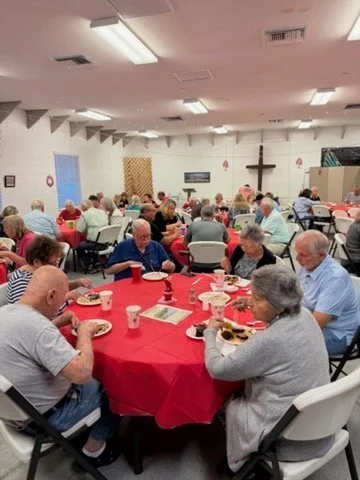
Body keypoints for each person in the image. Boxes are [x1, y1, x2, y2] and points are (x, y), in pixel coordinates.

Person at [204, 265, 333, 473]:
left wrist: (209, 333)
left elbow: (217, 369)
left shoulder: (272, 339)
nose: (251, 302)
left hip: (288, 440)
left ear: (277, 303)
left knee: (226, 398)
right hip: (323, 423)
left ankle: (241, 461)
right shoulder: (305, 315)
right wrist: (252, 303)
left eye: (256, 298)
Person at [0, 266, 121, 467]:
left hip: (12, 416)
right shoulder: (38, 328)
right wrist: (84, 333)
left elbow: (28, 339)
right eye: (62, 298)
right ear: (51, 295)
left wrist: (55, 323)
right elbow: (82, 374)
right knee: (114, 383)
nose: (63, 303)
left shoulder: (5, 312)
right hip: (47, 420)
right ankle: (94, 449)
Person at [295, 230, 360, 354]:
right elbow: (296, 298)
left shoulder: (335, 278)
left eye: (303, 255)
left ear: (321, 255)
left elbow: (316, 324)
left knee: (283, 344)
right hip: (310, 320)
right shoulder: (308, 265)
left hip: (337, 334)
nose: (297, 259)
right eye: (297, 253)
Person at [7, 235, 92, 304]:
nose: (56, 267)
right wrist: (63, 298)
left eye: (57, 262)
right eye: (53, 263)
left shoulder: (41, 273)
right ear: (37, 262)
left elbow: (54, 289)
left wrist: (77, 283)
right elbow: (28, 316)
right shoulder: (22, 283)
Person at [105, 219, 175, 281]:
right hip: (129, 284)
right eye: (143, 236)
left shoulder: (156, 246)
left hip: (152, 283)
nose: (146, 239)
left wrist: (170, 266)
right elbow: (108, 271)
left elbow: (172, 268)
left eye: (148, 235)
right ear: (134, 235)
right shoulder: (123, 246)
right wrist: (128, 264)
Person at [76, 200, 108, 273]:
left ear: (84, 207)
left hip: (96, 244)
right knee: (90, 241)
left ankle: (89, 265)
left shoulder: (85, 214)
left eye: (81, 207)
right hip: (106, 243)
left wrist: (87, 234)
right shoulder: (102, 212)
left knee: (80, 246)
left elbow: (79, 230)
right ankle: (96, 262)